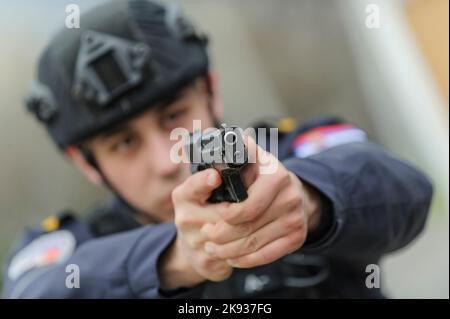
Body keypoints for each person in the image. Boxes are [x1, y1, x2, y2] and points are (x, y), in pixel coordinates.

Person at [2, 0, 433, 299]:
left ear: (212, 92)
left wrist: (309, 200)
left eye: (173, 115)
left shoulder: (289, 156)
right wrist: (173, 258)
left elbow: (400, 184)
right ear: (86, 163)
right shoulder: (70, 247)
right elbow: (33, 289)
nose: (165, 158)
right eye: (124, 143)